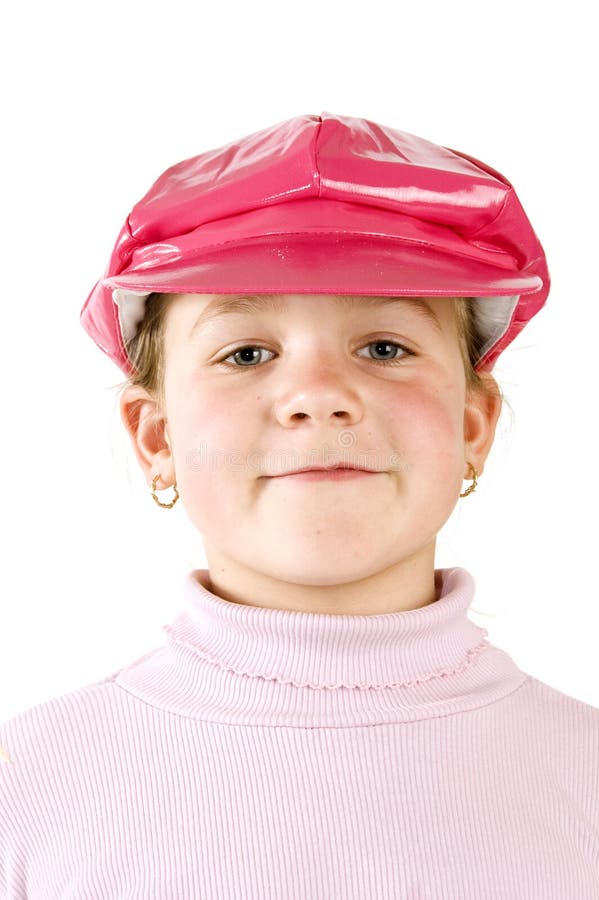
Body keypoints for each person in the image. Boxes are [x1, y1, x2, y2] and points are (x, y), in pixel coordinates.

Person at [1, 112, 597, 898]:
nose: (318, 397)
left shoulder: (581, 777)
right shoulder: (27, 789)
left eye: (384, 347)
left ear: (469, 426)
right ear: (156, 437)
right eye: (246, 353)